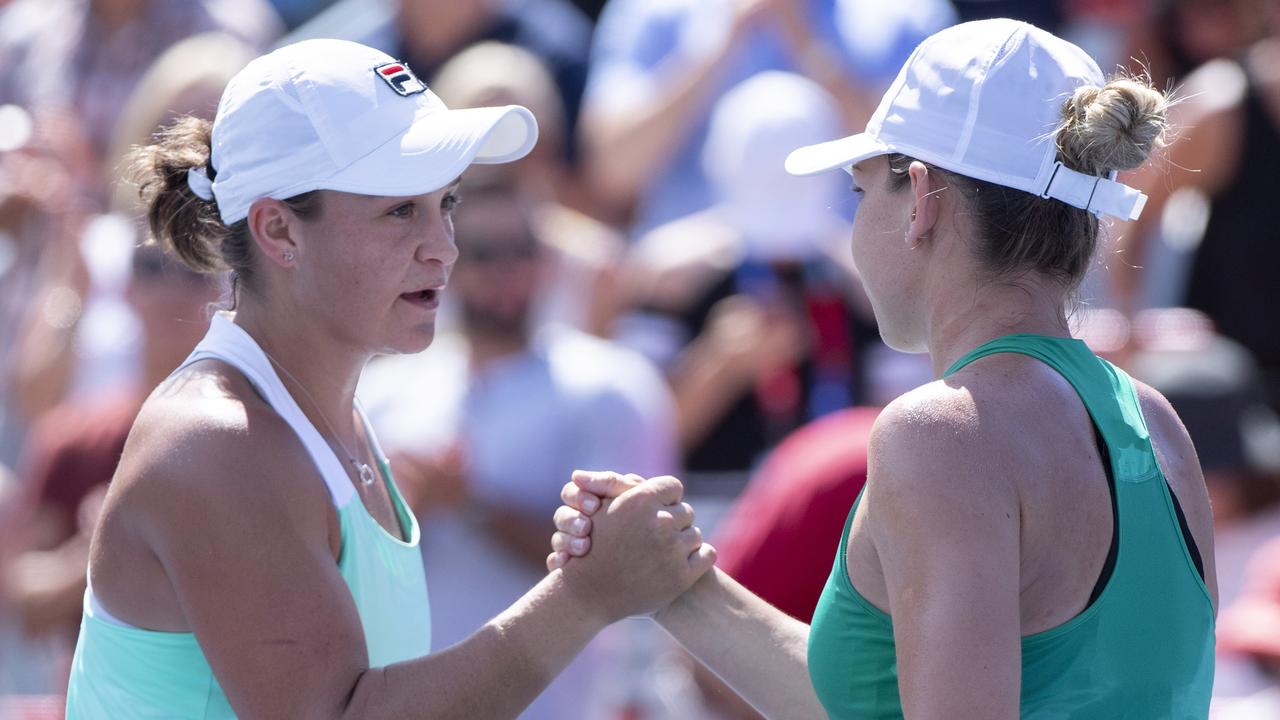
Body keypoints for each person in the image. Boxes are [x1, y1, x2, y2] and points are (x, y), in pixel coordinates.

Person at [551, 18, 1218, 718]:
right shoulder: (1156, 422)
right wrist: (677, 589)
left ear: (923, 201)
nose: (853, 225)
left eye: (861, 192)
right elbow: (886, 702)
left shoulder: (942, 436)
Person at [65, 38, 713, 718]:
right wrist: (584, 596)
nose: (445, 247)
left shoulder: (326, 413)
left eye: (447, 203)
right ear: (279, 230)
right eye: (400, 211)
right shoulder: (215, 442)